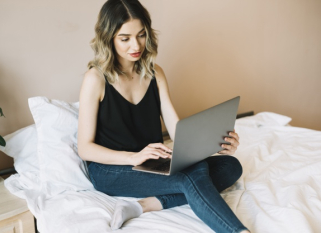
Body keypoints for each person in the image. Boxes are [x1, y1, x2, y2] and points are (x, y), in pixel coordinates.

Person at [77, 0, 250, 232]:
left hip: (152, 162)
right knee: (192, 175)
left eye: (140, 35)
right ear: (109, 38)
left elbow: (177, 130)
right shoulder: (95, 79)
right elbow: (84, 148)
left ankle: (146, 205)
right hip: (111, 169)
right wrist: (132, 157)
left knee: (230, 166)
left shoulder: (154, 73)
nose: (135, 45)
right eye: (125, 38)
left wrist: (212, 145)